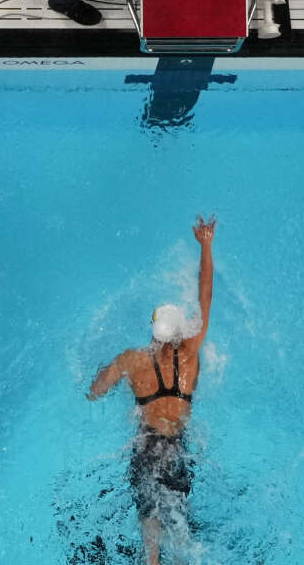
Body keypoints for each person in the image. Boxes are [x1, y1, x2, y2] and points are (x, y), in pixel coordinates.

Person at [88, 215, 216, 565]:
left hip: (145, 446)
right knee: (179, 522)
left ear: (153, 329)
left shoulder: (132, 360)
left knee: (150, 533)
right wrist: (206, 244)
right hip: (178, 447)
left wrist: (98, 375)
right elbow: (205, 295)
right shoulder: (191, 354)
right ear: (180, 329)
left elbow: (96, 391)